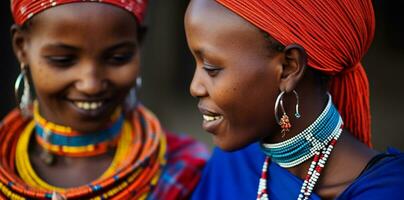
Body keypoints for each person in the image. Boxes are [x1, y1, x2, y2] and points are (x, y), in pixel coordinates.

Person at [184, 0, 404, 199]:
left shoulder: (389, 191)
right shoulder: (234, 166)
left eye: (211, 68)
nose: (195, 87)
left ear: (289, 68)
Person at [0, 0, 209, 199]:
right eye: (63, 60)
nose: (91, 84)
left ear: (139, 44)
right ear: (21, 48)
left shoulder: (183, 169)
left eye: (118, 58)